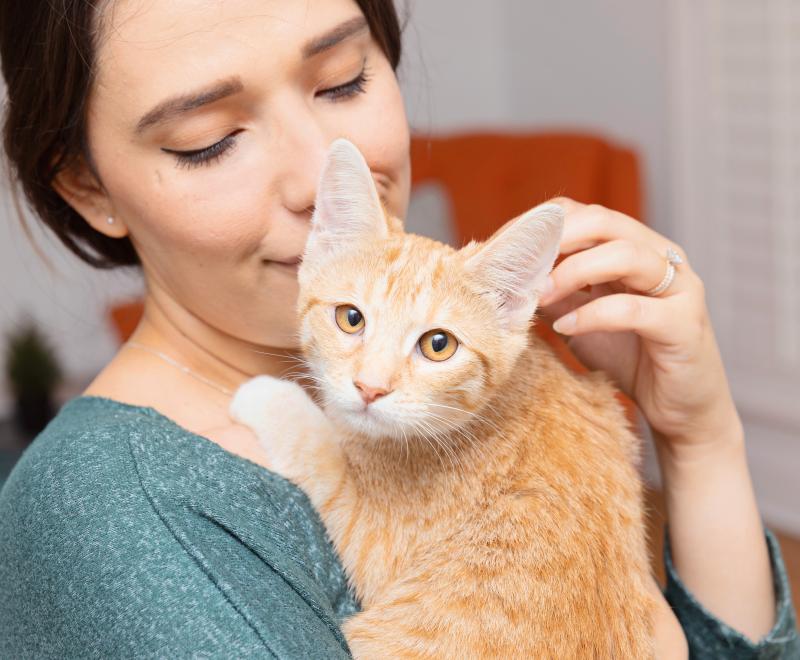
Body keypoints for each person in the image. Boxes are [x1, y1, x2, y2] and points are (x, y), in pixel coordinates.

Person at [0, 0, 796, 657]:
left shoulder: (505, 406)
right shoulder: (116, 523)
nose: (322, 172)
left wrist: (697, 438)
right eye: (209, 141)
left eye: (344, 83)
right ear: (87, 185)